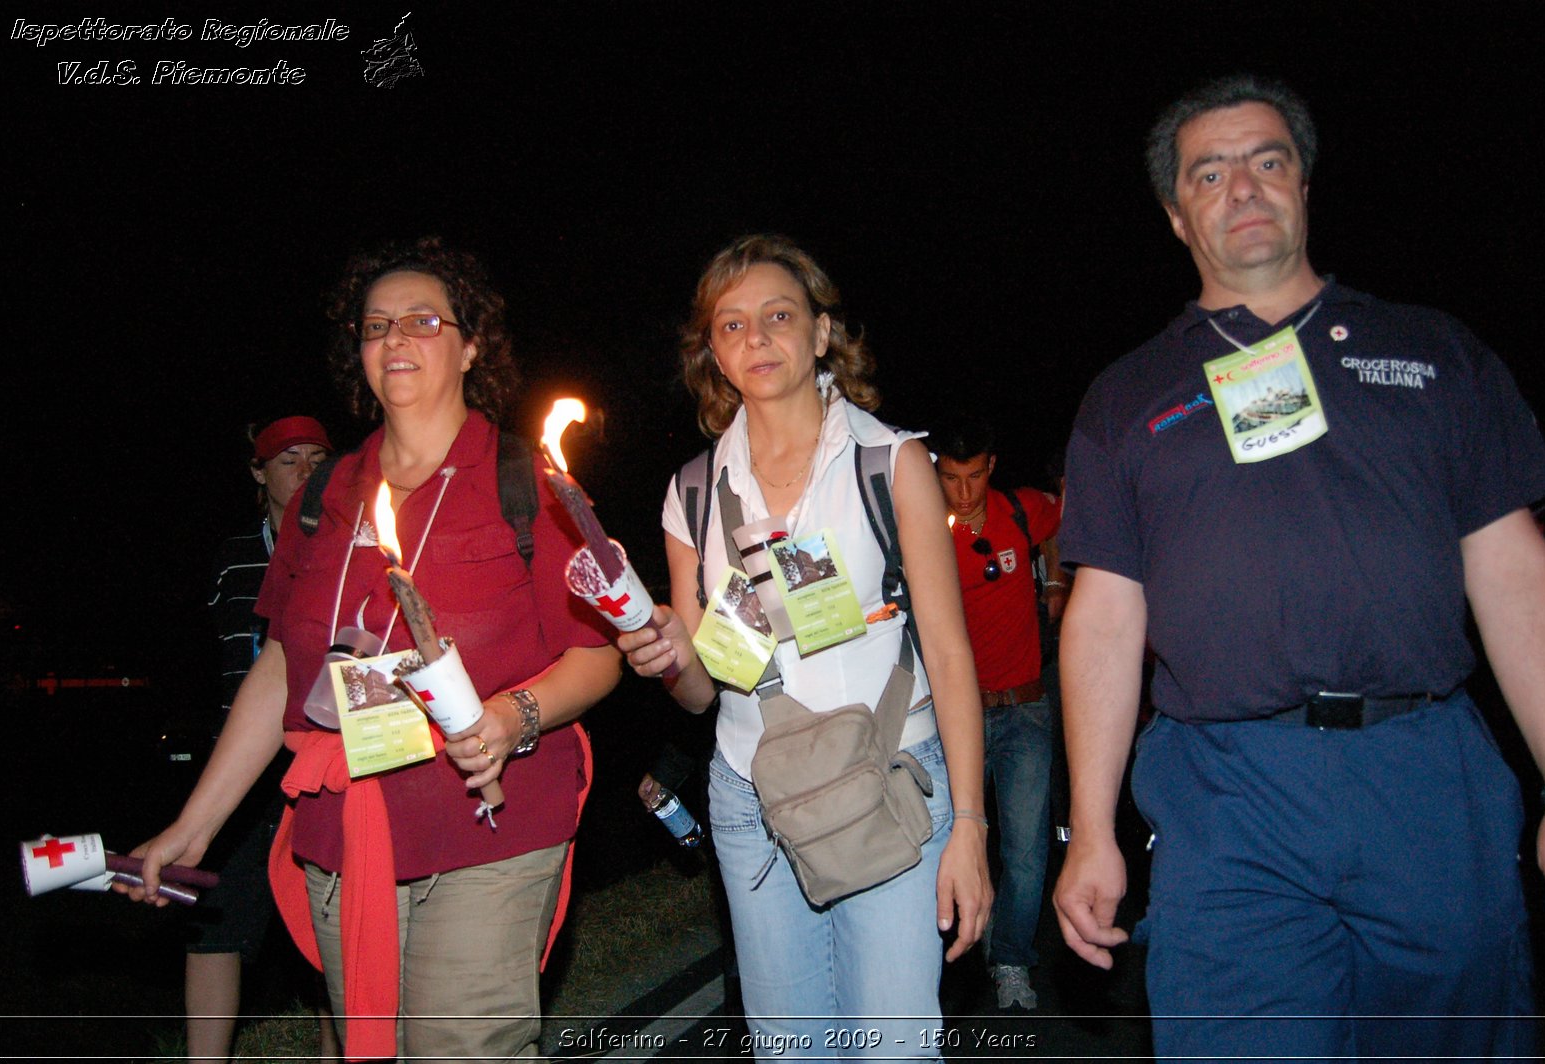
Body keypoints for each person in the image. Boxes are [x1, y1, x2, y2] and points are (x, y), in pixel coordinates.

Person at [1051, 74, 1545, 1061]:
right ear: (1178, 217)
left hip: (1424, 775)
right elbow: (1102, 615)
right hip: (1226, 790)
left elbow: (1516, 575)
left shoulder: (1434, 352)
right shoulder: (1125, 395)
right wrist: (1090, 825)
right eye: (1208, 173)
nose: (1242, 187)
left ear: (1303, 184)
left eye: (1267, 160)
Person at [124, 237, 622, 1061]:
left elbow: (598, 653)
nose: (396, 339)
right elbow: (282, 664)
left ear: (470, 346)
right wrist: (194, 825)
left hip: (487, 829)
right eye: (376, 324)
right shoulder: (324, 495)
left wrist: (510, 715)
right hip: (345, 842)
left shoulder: (524, 485)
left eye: (424, 321)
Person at [620, 234, 991, 1059]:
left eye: (778, 316)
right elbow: (699, 693)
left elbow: (952, 655)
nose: (756, 339)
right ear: (711, 352)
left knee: (892, 1050)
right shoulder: (692, 492)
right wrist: (669, 650)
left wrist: (969, 824)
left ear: (822, 332)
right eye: (732, 325)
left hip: (890, 783)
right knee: (792, 1051)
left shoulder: (888, 461)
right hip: (753, 801)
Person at [187, 415, 338, 1062]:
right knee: (213, 924)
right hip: (246, 768)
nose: (304, 472)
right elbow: (241, 665)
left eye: (315, 459)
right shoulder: (234, 560)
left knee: (327, 928)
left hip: (323, 757)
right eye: (287, 461)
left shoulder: (346, 545)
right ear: (258, 474)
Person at [930, 417, 1062, 1010]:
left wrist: (1054, 578)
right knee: (946, 846)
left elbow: (1065, 512)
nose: (964, 491)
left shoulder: (1018, 510)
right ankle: (933, 962)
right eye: (952, 477)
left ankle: (1010, 959)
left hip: (1026, 709)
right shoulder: (925, 527)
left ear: (992, 465)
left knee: (1028, 852)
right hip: (955, 720)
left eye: (974, 475)